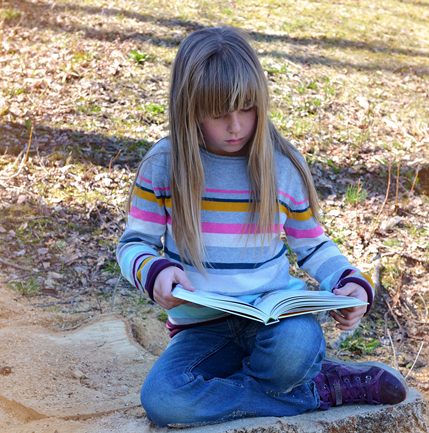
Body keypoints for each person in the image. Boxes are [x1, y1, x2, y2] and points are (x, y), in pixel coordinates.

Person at [116, 26, 407, 428]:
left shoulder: (280, 165)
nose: (236, 126)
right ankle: (314, 390)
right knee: (164, 400)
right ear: (189, 108)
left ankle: (278, 382)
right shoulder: (164, 165)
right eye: (219, 113)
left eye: (247, 108)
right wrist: (154, 271)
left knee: (296, 349)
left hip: (277, 321)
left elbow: (313, 245)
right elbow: (134, 244)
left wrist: (348, 280)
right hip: (203, 329)